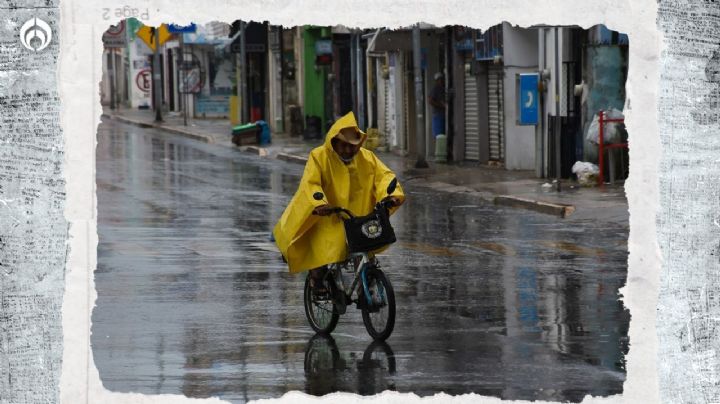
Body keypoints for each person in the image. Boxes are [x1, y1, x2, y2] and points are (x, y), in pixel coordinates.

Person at [272, 111, 405, 284]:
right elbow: (311, 183)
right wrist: (320, 203)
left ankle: (369, 290)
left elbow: (383, 177)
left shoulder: (366, 158)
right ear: (334, 141)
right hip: (327, 217)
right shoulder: (319, 157)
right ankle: (317, 281)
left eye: (353, 146)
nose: (349, 150)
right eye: (344, 145)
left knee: (366, 254)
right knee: (320, 257)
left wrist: (391, 195)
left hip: (358, 218)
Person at [429, 72, 446, 138]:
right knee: (439, 136)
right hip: (438, 115)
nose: (442, 81)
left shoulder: (442, 88)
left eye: (442, 79)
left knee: (442, 136)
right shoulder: (436, 89)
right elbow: (430, 101)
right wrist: (441, 106)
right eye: (440, 79)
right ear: (437, 80)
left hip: (442, 115)